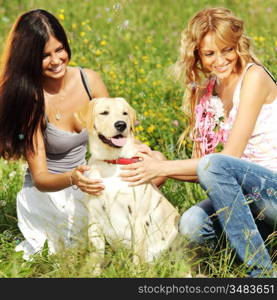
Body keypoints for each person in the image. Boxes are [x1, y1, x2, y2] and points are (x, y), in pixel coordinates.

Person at [120, 7, 277, 277]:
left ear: (238, 45)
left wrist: (164, 168)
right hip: (245, 202)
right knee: (191, 224)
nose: (221, 60)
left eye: (227, 49)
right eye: (210, 53)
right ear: (197, 56)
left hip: (271, 191)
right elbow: (206, 173)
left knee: (214, 164)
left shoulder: (254, 77)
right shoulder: (206, 93)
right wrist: (157, 162)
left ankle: (261, 274)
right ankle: (255, 250)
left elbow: (229, 158)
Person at [0, 9, 111, 260]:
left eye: (59, 49)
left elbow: (115, 134)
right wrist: (73, 177)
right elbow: (40, 178)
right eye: (44, 55)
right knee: (78, 247)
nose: (56, 60)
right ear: (29, 59)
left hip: (83, 179)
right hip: (48, 193)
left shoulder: (89, 80)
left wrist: (141, 154)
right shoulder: (31, 101)